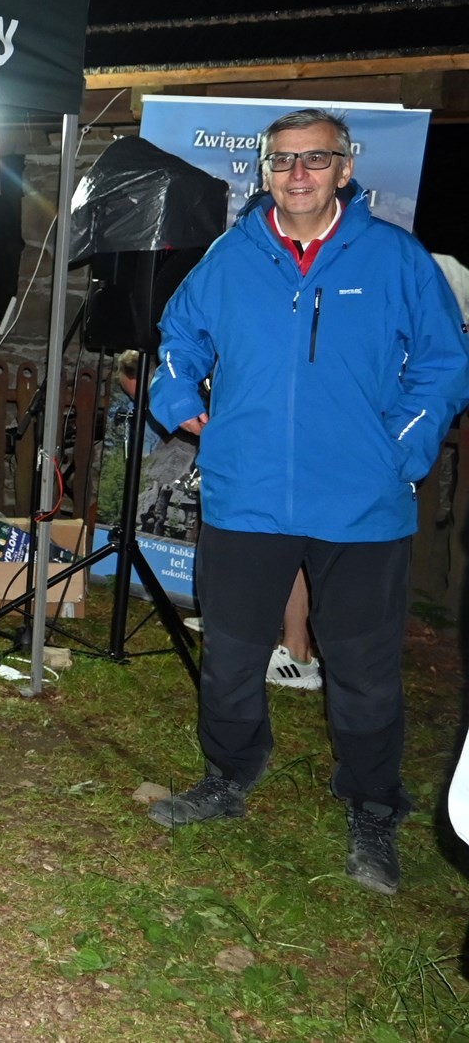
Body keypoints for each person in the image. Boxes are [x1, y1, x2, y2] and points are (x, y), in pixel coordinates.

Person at [145, 109, 469, 896]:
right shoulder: (231, 257)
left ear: (344, 169)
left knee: (362, 669)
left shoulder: (395, 258)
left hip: (361, 505)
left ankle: (371, 805)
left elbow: (445, 363)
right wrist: (182, 403)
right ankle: (228, 774)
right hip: (246, 496)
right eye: (283, 160)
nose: (297, 174)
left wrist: (400, 450)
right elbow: (177, 340)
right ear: (263, 172)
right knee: (230, 656)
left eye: (315, 159)